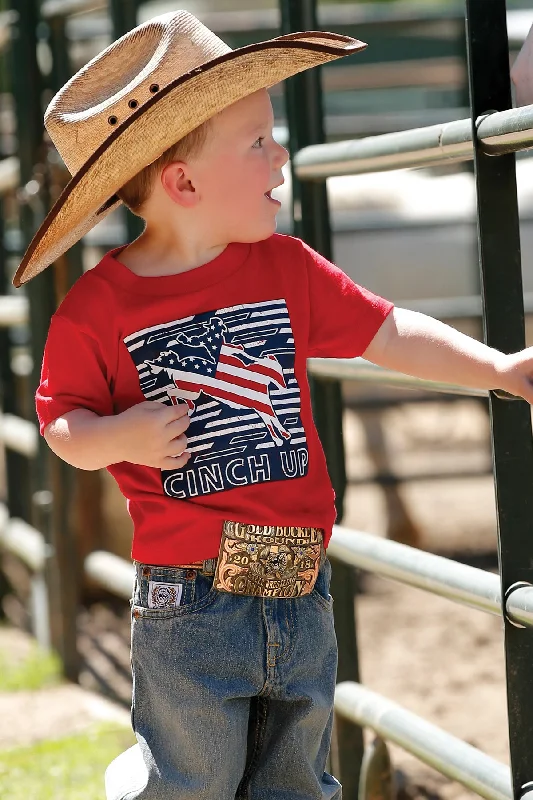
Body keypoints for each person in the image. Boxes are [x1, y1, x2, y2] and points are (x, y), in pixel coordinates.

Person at [15, 11, 533, 800]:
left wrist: (493, 366)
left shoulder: (285, 269)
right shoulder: (96, 309)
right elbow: (62, 426)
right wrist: (119, 434)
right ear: (183, 183)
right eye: (256, 141)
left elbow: (384, 330)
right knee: (190, 780)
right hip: (188, 595)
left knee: (295, 778)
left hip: (295, 574)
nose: (281, 153)